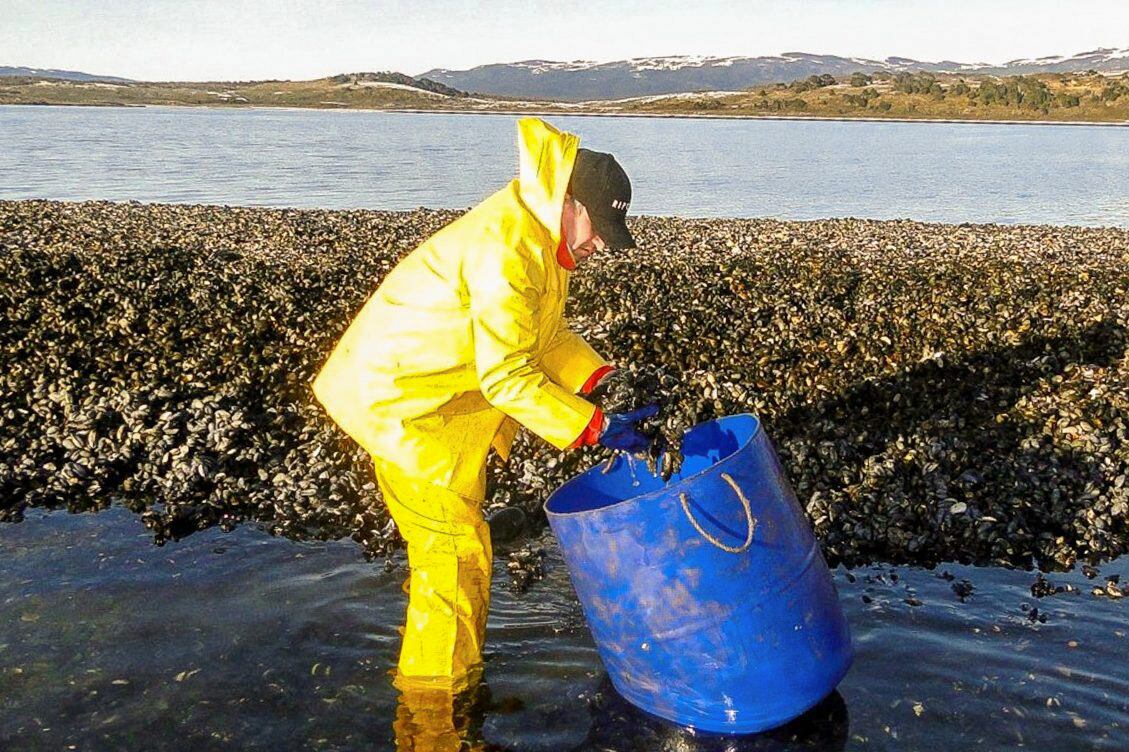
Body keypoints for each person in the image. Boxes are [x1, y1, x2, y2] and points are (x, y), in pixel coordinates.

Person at [312, 117, 655, 691]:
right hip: (404, 408)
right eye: (599, 227)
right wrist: (594, 428)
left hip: (438, 403)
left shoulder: (538, 236)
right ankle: (435, 713)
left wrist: (600, 380)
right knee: (455, 561)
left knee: (449, 557)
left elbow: (541, 334)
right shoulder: (508, 251)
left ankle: (437, 654)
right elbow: (508, 378)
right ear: (569, 203)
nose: (600, 244)